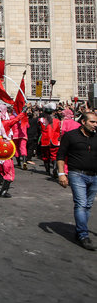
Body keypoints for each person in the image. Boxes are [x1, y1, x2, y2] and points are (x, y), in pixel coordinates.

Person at [57, 112, 97, 250]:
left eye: (96, 122)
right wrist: (61, 174)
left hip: (94, 176)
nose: (95, 125)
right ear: (83, 122)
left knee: (88, 205)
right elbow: (60, 155)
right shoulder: (71, 136)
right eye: (92, 122)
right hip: (76, 174)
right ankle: (83, 235)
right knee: (81, 203)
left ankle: (80, 229)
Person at [40, 102, 61, 178]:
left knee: (46, 156)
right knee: (54, 156)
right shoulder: (58, 121)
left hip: (45, 140)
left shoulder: (42, 120)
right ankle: (55, 168)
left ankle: (48, 170)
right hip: (55, 140)